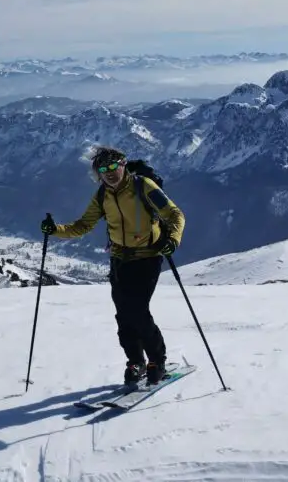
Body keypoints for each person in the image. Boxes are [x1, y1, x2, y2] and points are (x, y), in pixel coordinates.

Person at [40, 146, 186, 386]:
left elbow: (175, 214)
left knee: (138, 311)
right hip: (120, 261)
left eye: (112, 167)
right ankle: (135, 362)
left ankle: (156, 361)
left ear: (123, 165)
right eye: (102, 169)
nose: (108, 173)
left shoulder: (144, 187)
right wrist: (55, 230)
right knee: (124, 315)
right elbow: (83, 225)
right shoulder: (102, 196)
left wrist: (173, 240)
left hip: (148, 257)